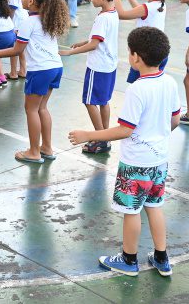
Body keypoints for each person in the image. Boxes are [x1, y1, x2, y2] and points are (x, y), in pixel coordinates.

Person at [68, 26, 179, 277]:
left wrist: (89, 135)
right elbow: (175, 120)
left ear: (136, 57)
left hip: (136, 163)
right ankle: (161, 258)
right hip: (159, 161)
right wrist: (157, 134)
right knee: (154, 206)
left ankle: (129, 260)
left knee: (131, 212)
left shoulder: (137, 89)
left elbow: (125, 130)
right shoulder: (169, 82)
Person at [0, 0, 69, 163]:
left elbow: (17, 50)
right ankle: (47, 147)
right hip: (55, 67)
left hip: (40, 70)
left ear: (31, 1)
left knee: (31, 109)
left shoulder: (29, 22)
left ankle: (34, 151)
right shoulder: (48, 18)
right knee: (42, 108)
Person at [60, 0, 119, 154]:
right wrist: (82, 42)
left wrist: (70, 52)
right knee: (103, 101)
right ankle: (105, 136)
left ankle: (99, 138)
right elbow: (98, 39)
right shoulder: (113, 12)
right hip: (109, 65)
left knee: (89, 101)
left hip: (98, 66)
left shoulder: (102, 18)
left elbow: (94, 45)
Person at [116, 0, 167, 83]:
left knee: (138, 86)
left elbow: (121, 14)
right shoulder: (161, 4)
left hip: (145, 55)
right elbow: (141, 11)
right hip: (159, 52)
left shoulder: (147, 7)